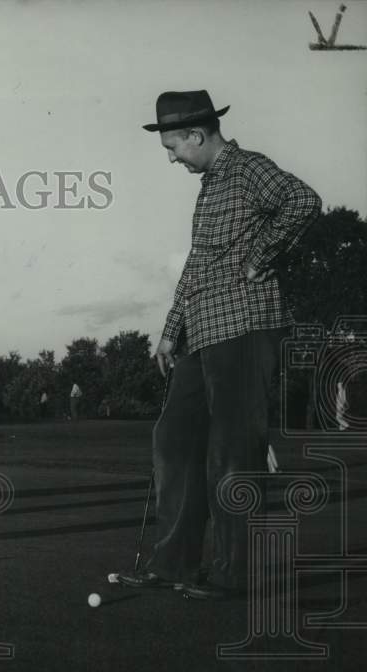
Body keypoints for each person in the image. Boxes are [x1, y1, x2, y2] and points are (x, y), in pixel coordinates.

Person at [117, 90, 321, 600]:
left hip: (246, 326)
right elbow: (198, 264)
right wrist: (171, 329)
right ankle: (172, 564)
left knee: (232, 450)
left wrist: (258, 260)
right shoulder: (210, 187)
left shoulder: (248, 168)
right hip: (203, 331)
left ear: (196, 134)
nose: (171, 158)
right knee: (173, 438)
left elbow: (303, 201)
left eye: (173, 147)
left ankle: (235, 574)